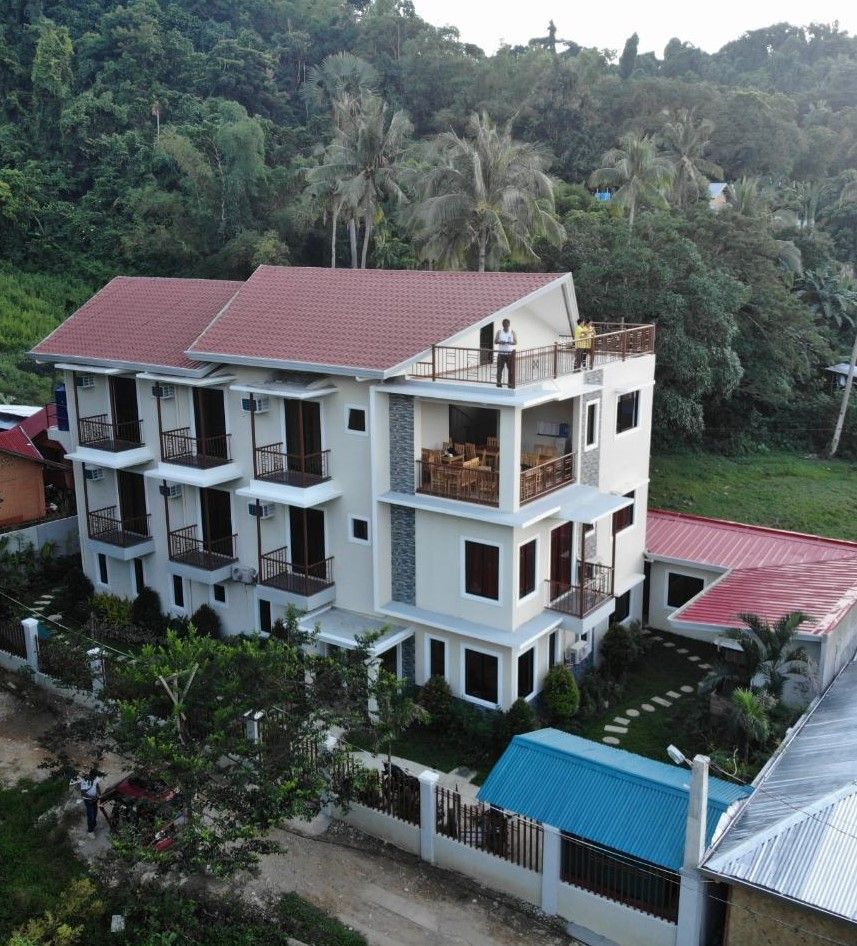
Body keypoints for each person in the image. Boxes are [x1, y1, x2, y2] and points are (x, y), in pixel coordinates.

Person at [75, 768, 101, 834]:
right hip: (88, 800)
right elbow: (83, 793)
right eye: (94, 777)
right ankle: (90, 831)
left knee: (95, 813)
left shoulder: (96, 779)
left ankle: (93, 825)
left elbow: (97, 786)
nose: (95, 778)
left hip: (95, 799)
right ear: (91, 775)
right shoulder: (85, 781)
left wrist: (99, 795)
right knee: (90, 815)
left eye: (95, 777)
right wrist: (91, 797)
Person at [494, 319, 517, 387]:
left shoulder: (512, 332)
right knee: (499, 369)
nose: (505, 325)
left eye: (507, 324)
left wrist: (510, 343)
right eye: (504, 324)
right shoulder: (499, 332)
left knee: (510, 370)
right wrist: (500, 342)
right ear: (502, 325)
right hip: (501, 354)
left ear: (509, 324)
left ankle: (510, 384)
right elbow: (495, 341)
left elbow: (515, 342)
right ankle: (498, 383)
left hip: (510, 354)